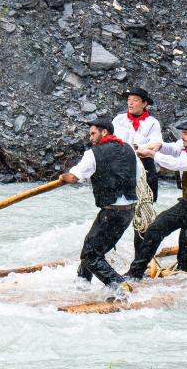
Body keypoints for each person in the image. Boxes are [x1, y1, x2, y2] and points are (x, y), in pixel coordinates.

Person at [126, 117, 187, 285]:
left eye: (186, 133)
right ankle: (135, 272)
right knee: (155, 228)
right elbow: (174, 149)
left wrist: (152, 154)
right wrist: (159, 146)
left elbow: (179, 163)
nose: (182, 137)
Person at [60, 119, 140, 298]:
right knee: (94, 248)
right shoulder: (129, 149)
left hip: (111, 212)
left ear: (104, 132)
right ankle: (82, 285)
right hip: (128, 211)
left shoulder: (93, 153)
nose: (90, 138)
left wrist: (63, 176)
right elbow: (138, 175)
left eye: (93, 133)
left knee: (90, 254)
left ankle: (120, 286)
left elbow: (74, 177)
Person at [111, 87, 163, 201]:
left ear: (144, 103)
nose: (130, 102)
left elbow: (156, 144)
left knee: (146, 202)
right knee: (119, 202)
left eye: (135, 100)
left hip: (144, 165)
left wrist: (137, 149)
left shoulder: (153, 123)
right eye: (129, 99)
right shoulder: (118, 119)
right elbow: (109, 139)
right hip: (121, 165)